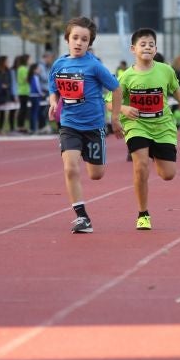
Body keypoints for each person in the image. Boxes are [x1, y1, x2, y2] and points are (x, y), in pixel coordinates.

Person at [114, 28, 180, 230]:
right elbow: (110, 100)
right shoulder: (125, 77)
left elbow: (176, 89)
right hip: (137, 126)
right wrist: (124, 109)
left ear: (156, 49)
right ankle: (143, 214)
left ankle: (153, 151)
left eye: (151, 44)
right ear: (133, 49)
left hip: (163, 126)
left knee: (168, 174)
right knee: (140, 166)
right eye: (143, 44)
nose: (147, 47)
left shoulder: (165, 70)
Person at [48, 17, 123, 234]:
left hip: (93, 126)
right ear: (67, 39)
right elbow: (54, 88)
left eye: (84, 39)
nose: (79, 42)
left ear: (90, 43)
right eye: (75, 38)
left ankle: (90, 155)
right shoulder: (59, 64)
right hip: (69, 125)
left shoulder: (94, 66)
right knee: (70, 168)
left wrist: (115, 118)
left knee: (96, 174)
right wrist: (53, 103)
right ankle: (82, 217)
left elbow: (116, 89)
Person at [14, 54, 31, 133]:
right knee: (23, 109)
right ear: (26, 60)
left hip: (24, 91)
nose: (30, 61)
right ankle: (20, 126)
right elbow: (25, 79)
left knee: (23, 109)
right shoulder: (23, 69)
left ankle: (21, 125)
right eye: (29, 59)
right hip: (23, 91)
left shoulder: (21, 68)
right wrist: (31, 75)